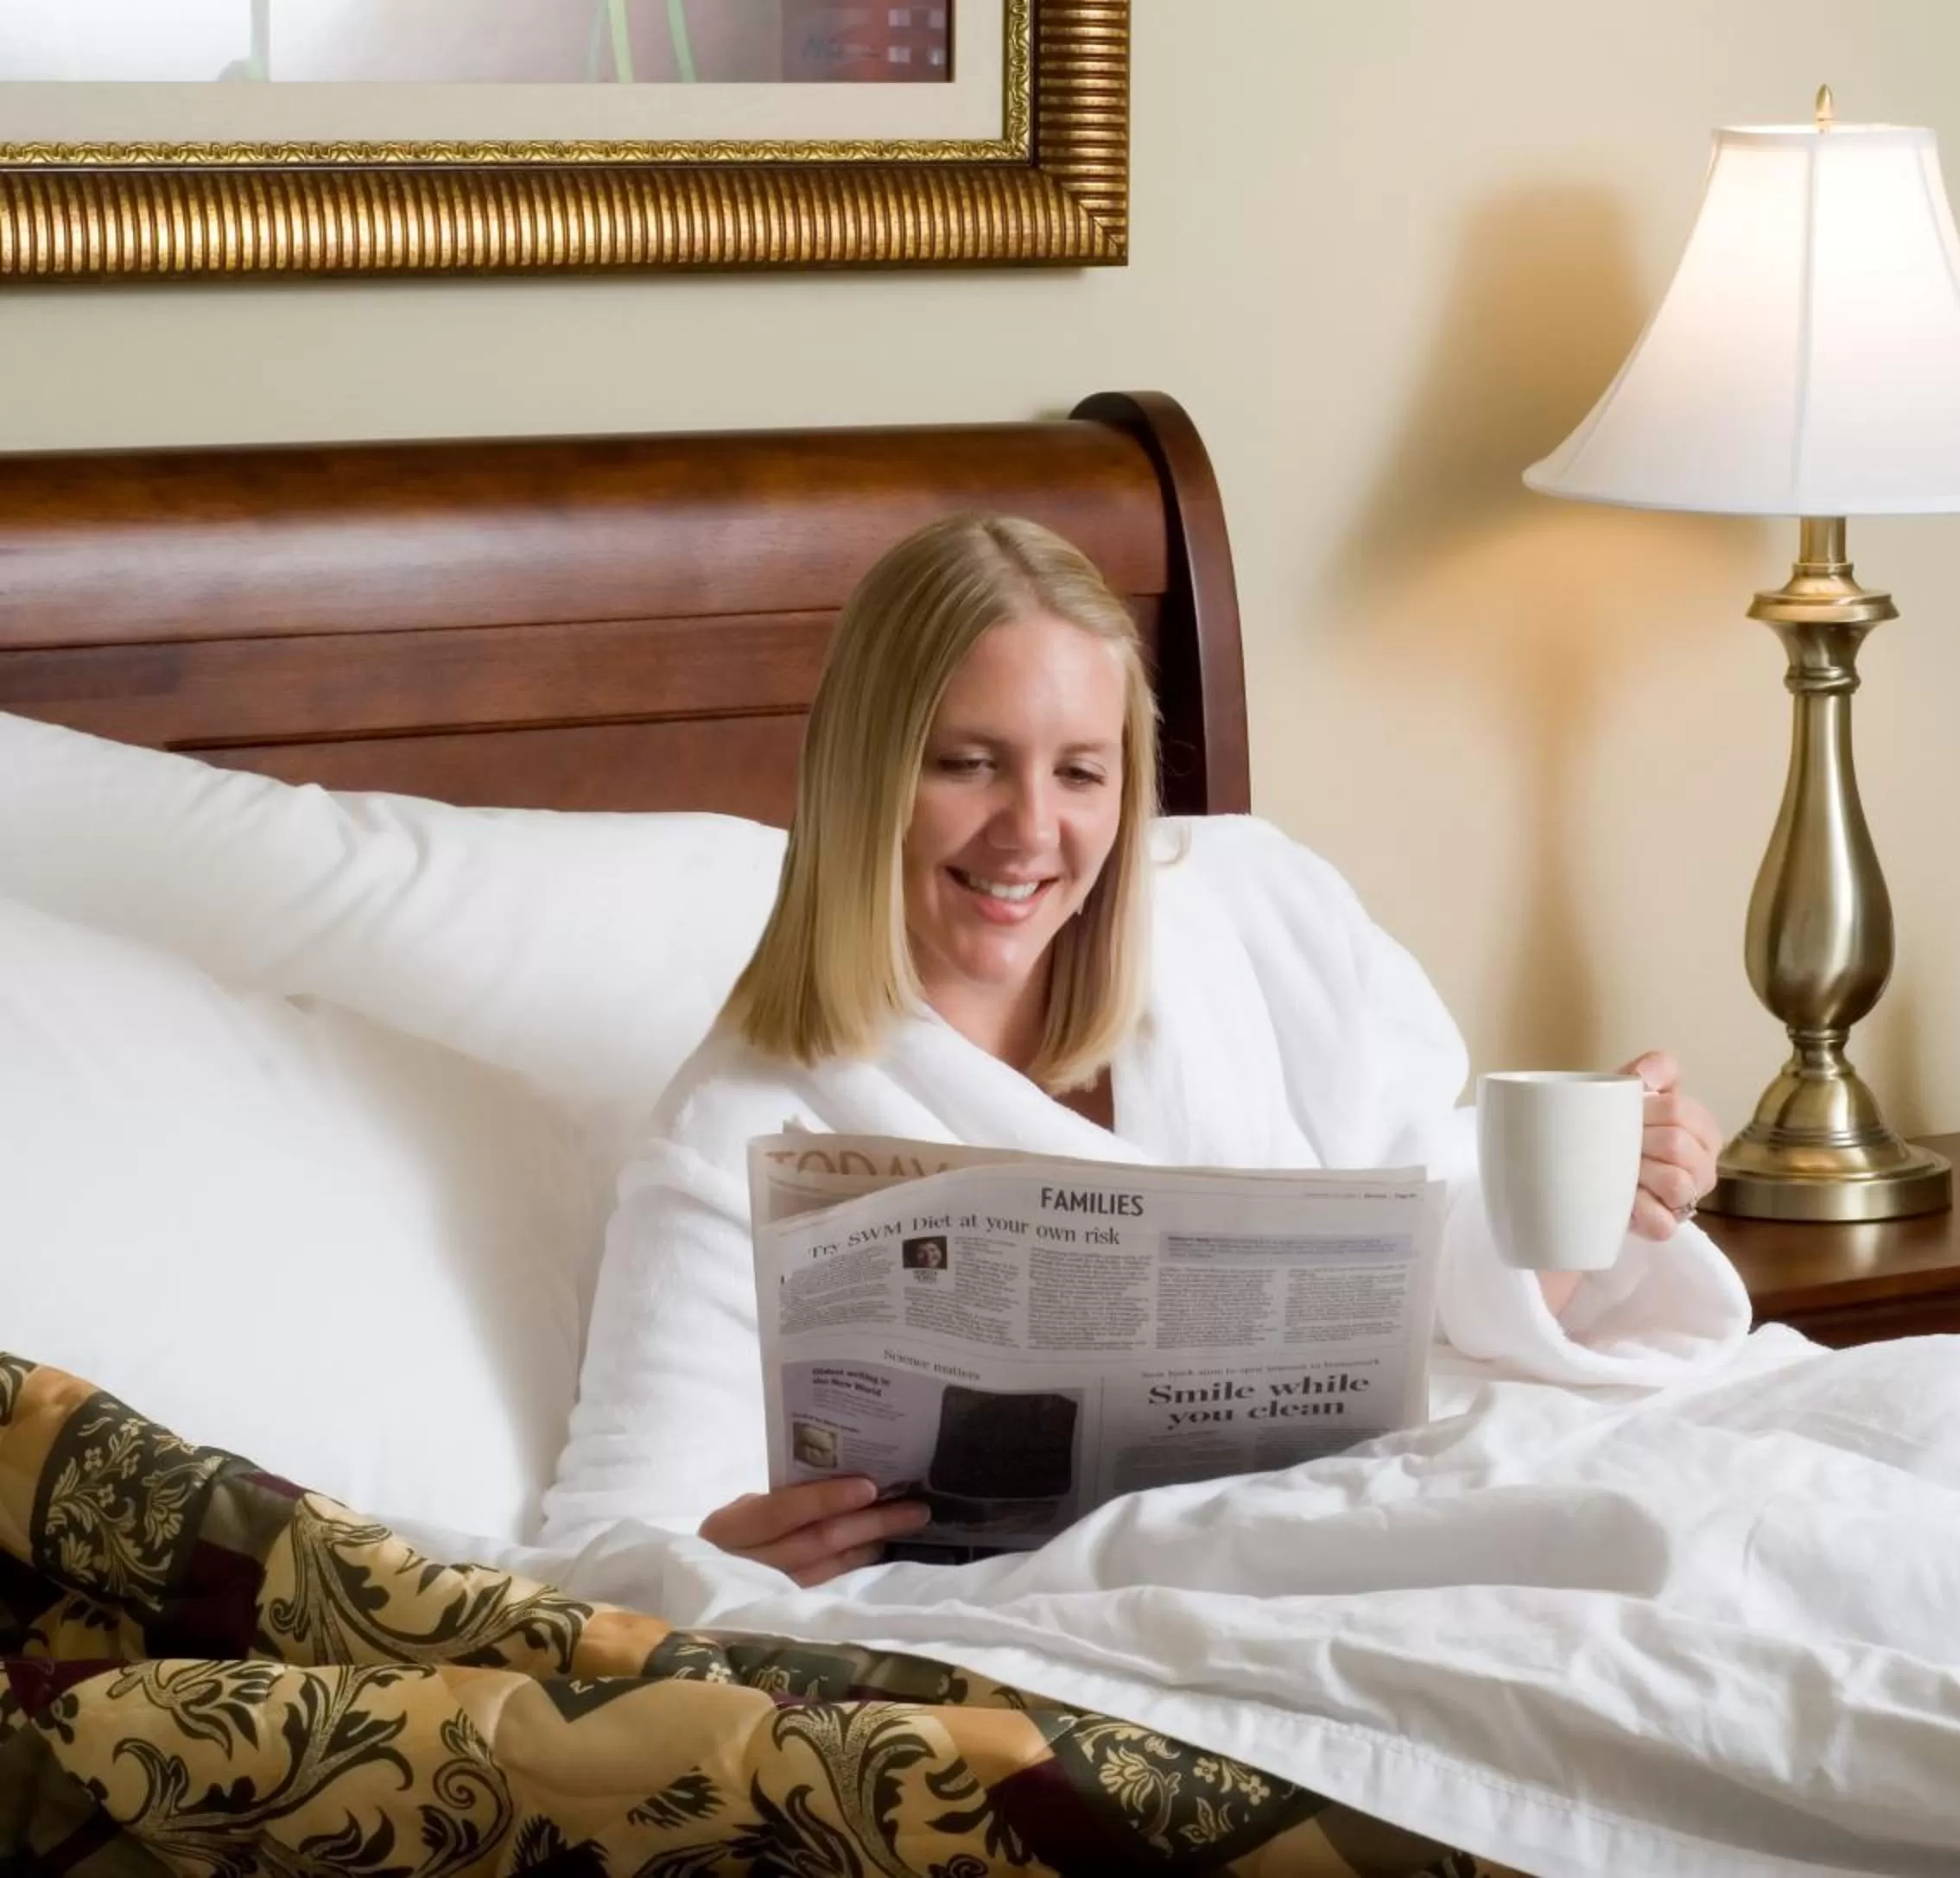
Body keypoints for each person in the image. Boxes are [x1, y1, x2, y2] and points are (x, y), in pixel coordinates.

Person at [542, 515, 1748, 1583]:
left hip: (1348, 1529)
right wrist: (727, 1563)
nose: (1031, 831)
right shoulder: (742, 1124)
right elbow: (607, 1557)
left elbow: (1436, 1262)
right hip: (1052, 1617)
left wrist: (1599, 1204)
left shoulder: (1244, 927)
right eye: (968, 763)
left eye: (1080, 771)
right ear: (868, 773)